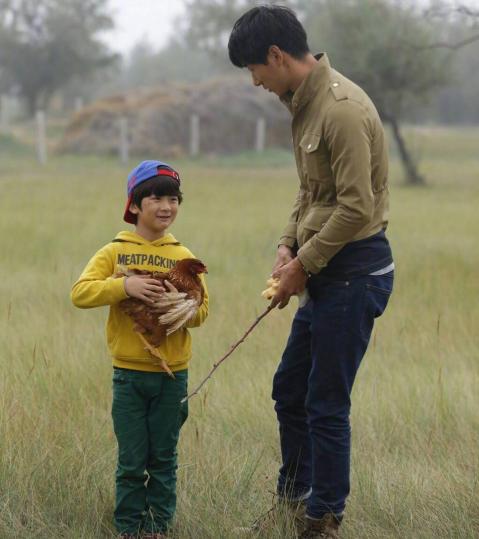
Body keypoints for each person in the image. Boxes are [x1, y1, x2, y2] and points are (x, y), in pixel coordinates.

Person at [228, 6, 394, 539]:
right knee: (289, 389)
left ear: (277, 56)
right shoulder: (302, 103)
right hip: (322, 269)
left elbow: (355, 207)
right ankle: (293, 499)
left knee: (325, 402)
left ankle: (321, 519)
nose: (254, 81)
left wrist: (303, 263)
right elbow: (310, 192)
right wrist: (285, 246)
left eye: (254, 69)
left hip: (354, 273)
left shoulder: (340, 109)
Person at [71, 160, 209, 539]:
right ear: (134, 205)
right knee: (132, 461)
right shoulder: (115, 251)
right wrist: (124, 288)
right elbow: (80, 293)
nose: (166, 206)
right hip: (129, 375)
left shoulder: (182, 254)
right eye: (156, 198)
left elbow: (204, 310)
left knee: (163, 459)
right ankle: (128, 529)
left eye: (173, 198)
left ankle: (157, 528)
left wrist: (179, 307)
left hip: (172, 376)